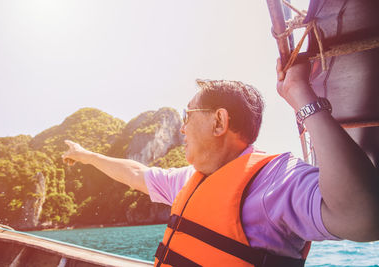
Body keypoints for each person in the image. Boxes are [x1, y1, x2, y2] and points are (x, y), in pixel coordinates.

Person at [62, 59, 379, 267]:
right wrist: (86, 156)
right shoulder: (188, 179)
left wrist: (300, 95)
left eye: (187, 115)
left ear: (219, 121)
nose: (182, 128)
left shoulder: (277, 181)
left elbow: (364, 216)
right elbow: (136, 172)